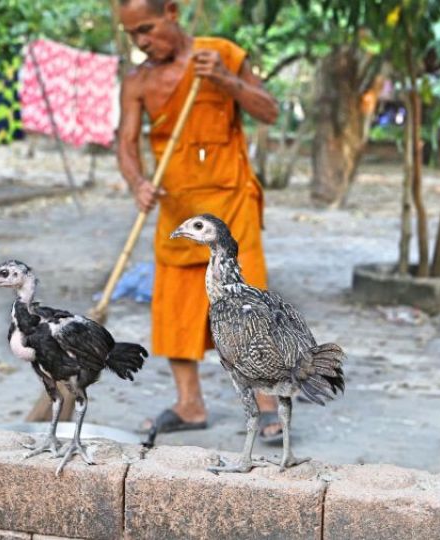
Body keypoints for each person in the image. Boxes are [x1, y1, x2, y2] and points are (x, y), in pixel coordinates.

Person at [116, 0, 282, 442]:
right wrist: (137, 182)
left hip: (230, 204)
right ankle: (190, 405)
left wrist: (225, 81)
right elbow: (126, 143)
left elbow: (269, 111)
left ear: (172, 11)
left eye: (147, 29)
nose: (141, 41)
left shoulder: (222, 54)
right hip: (178, 209)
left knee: (247, 306)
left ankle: (267, 402)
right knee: (175, 312)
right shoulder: (137, 81)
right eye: (133, 34)